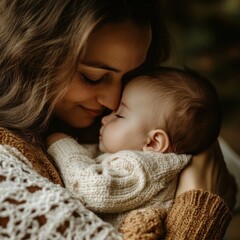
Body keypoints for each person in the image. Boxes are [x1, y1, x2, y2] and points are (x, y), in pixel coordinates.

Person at [0, 0, 236, 239]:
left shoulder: (160, 137)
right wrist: (198, 218)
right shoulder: (8, 165)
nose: (113, 102)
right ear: (33, 57)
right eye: (93, 77)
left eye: (131, 76)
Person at [46, 66, 222, 230]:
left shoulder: (145, 167)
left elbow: (93, 187)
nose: (105, 118)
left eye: (120, 115)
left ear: (153, 143)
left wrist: (62, 144)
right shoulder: (135, 158)